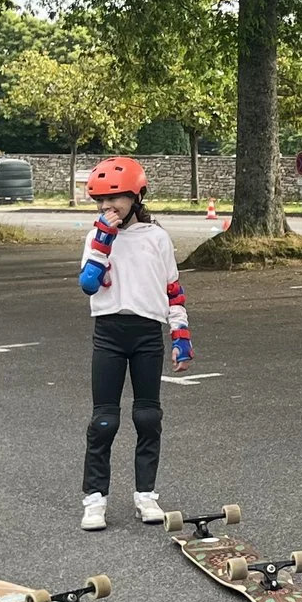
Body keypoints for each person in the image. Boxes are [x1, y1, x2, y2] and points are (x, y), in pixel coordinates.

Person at [77, 156, 190, 530]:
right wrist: (104, 239)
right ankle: (95, 501)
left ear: (136, 197)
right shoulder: (96, 235)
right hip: (109, 333)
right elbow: (88, 284)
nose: (108, 208)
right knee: (105, 421)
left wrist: (180, 335)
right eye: (101, 202)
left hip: (147, 334)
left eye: (116, 200)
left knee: (148, 417)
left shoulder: (157, 238)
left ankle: (146, 496)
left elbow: (172, 290)